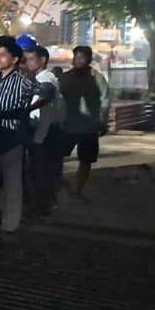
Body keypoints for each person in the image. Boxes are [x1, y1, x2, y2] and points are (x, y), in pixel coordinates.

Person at [0, 35, 37, 235]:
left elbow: (43, 95)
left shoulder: (24, 82)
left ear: (14, 59)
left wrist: (20, 113)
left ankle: (9, 223)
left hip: (11, 136)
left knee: (12, 183)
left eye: (3, 55)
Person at [59, 45, 106, 202]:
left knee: (85, 161)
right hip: (68, 125)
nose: (77, 61)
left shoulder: (97, 78)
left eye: (81, 58)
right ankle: (61, 185)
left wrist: (102, 121)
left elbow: (106, 101)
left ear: (89, 60)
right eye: (76, 57)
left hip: (89, 127)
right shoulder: (64, 78)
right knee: (56, 156)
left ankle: (77, 191)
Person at [24, 46, 65, 217]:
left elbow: (44, 97)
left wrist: (23, 108)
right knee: (40, 171)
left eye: (31, 59)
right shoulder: (37, 78)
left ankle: (41, 207)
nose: (28, 62)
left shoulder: (46, 78)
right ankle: (43, 204)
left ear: (43, 60)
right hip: (42, 130)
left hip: (45, 132)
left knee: (40, 171)